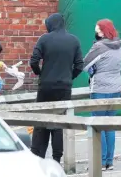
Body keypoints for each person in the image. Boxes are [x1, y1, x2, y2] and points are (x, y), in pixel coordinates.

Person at [29, 13, 84, 163]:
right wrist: (69, 77)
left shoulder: (45, 39)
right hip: (64, 87)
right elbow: (80, 65)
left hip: (46, 86)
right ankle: (56, 158)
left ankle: (38, 156)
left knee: (41, 121)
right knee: (59, 122)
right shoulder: (74, 40)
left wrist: (40, 74)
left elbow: (34, 61)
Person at [82, 19, 121, 171]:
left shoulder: (99, 46)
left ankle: (99, 161)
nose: (96, 31)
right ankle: (109, 161)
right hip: (116, 88)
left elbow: (84, 65)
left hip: (100, 89)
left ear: (102, 31)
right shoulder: (118, 45)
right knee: (109, 126)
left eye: (98, 29)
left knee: (98, 125)